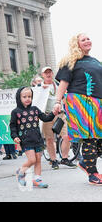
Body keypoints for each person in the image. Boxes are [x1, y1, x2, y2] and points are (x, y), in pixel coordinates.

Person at [53, 33, 102, 185]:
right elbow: (63, 83)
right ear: (77, 44)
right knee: (89, 137)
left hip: (97, 103)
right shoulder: (71, 61)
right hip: (80, 102)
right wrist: (57, 101)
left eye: (88, 38)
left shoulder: (96, 61)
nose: (87, 41)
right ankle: (92, 173)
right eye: (83, 39)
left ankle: (85, 163)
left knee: (99, 139)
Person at [10, 86, 55, 188]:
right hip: (25, 140)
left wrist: (53, 113)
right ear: (19, 98)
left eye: (29, 96)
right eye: (24, 96)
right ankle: (20, 172)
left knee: (38, 159)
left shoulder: (35, 109)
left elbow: (46, 118)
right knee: (32, 160)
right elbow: (12, 126)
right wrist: (14, 136)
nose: (27, 99)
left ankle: (37, 179)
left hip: (37, 139)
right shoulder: (15, 112)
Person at [40, 66, 76, 169]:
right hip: (47, 115)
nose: (48, 74)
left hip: (60, 114)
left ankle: (64, 158)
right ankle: (53, 160)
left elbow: (65, 98)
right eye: (46, 72)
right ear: (43, 75)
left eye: (50, 72)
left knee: (67, 136)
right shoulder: (39, 87)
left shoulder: (58, 84)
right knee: (50, 139)